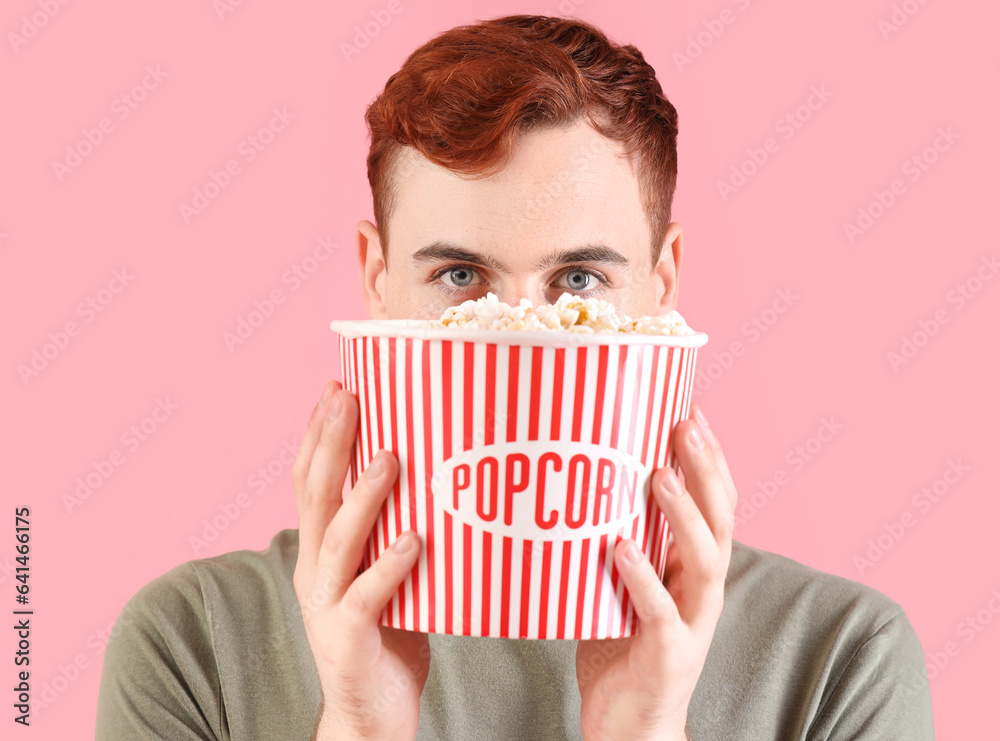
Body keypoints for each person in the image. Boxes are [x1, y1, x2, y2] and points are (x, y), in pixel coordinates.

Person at [95, 14, 934, 740]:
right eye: (460, 276)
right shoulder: (193, 643)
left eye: (580, 280)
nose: (516, 343)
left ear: (663, 283)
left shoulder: (840, 657)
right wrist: (358, 727)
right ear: (376, 277)